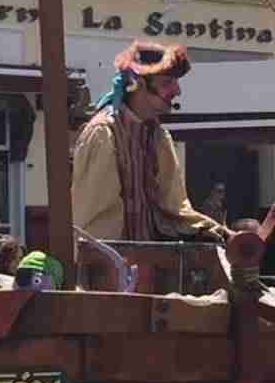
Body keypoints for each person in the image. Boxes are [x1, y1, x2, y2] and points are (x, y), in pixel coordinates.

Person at [72, 41, 227, 242]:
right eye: (167, 82)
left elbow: (176, 209)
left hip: (153, 265)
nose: (177, 91)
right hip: (112, 267)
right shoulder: (104, 132)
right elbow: (95, 225)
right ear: (138, 84)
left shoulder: (158, 137)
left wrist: (218, 232)